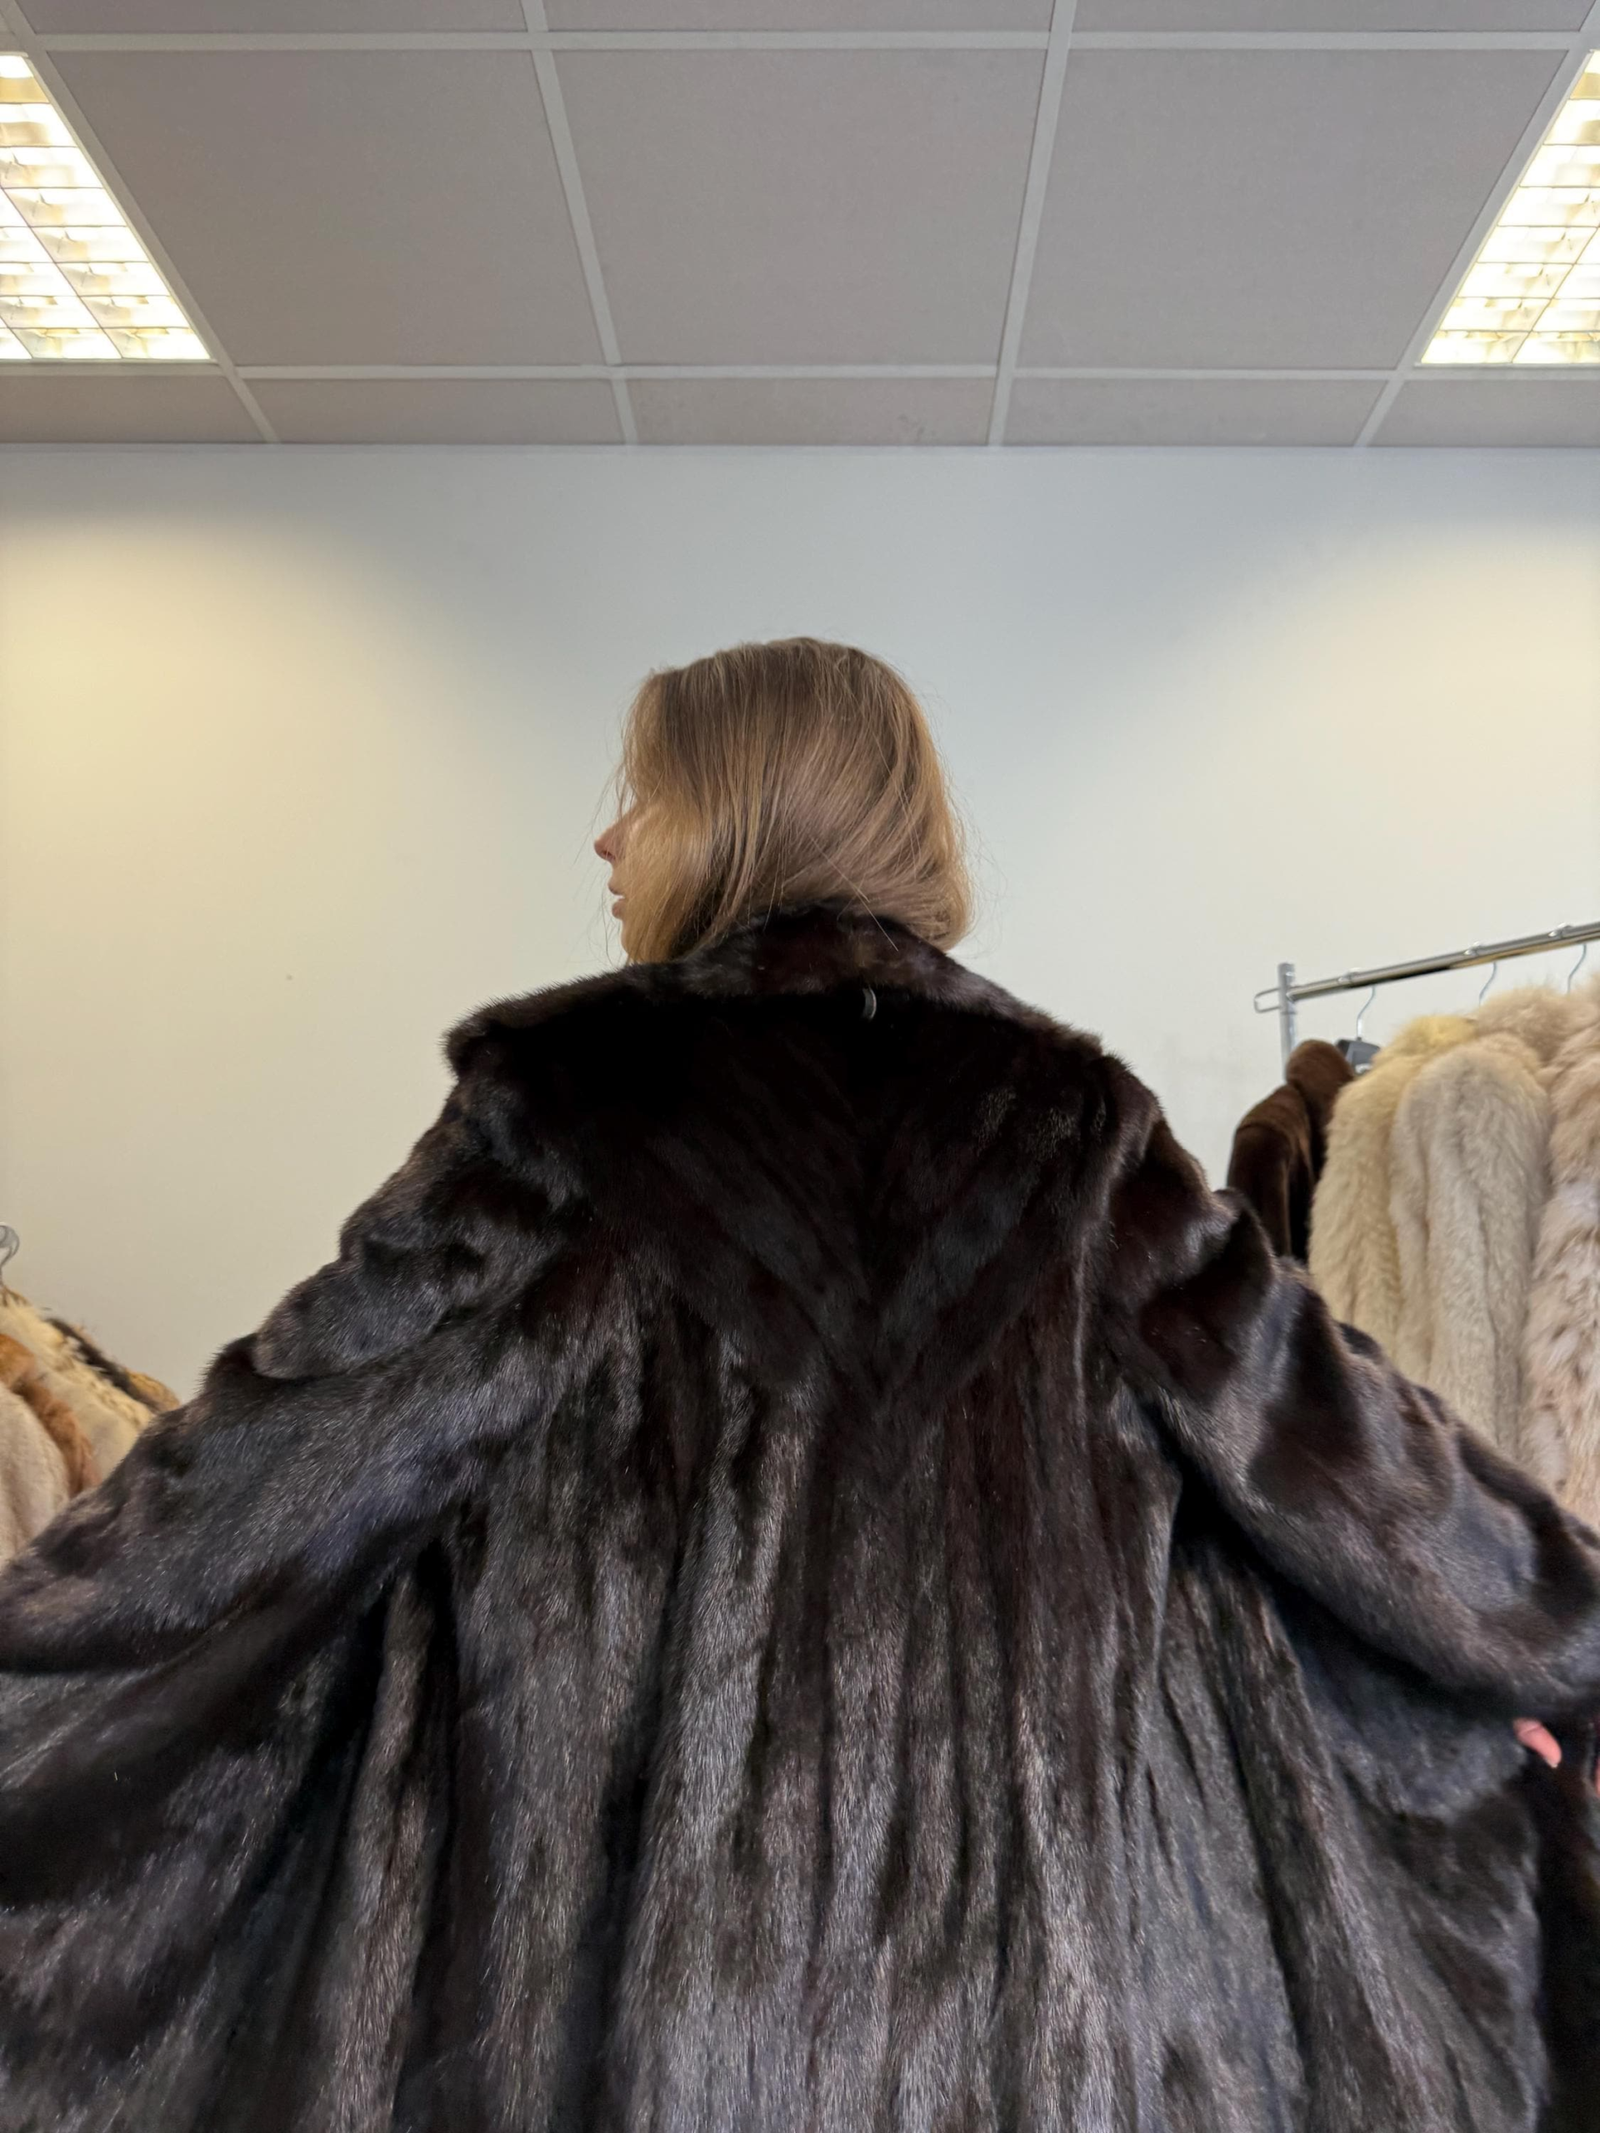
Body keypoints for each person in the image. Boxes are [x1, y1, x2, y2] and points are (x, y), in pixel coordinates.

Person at [0, 636, 1596, 2132]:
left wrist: (39, 1655)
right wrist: (1571, 1631)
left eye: (642, 796)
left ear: (737, 810)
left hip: (636, 2020)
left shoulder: (571, 1111)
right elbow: (1344, 1455)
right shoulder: (1074, 1126)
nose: (609, 840)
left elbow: (277, 1466)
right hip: (1034, 2022)